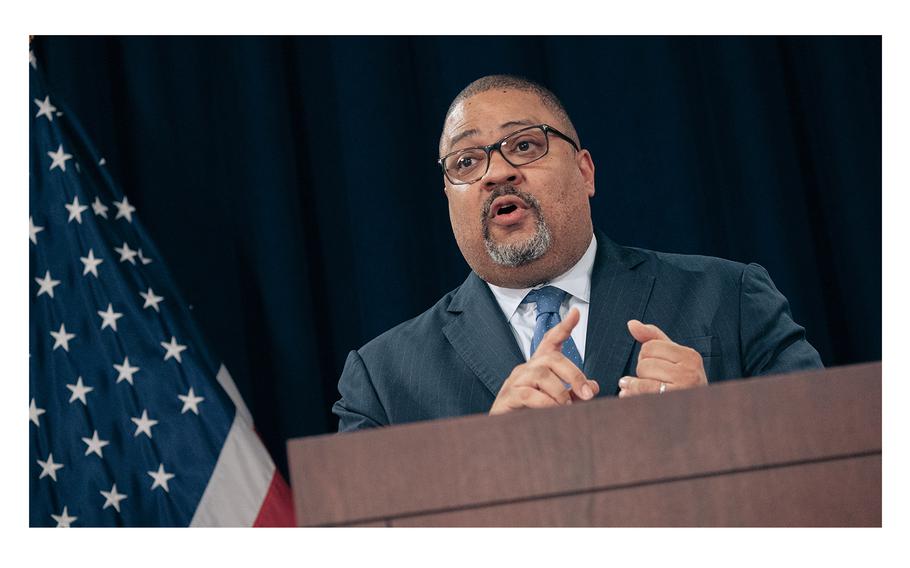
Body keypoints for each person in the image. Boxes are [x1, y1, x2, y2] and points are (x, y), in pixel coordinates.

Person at [332, 75, 823, 432]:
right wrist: (490, 460)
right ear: (448, 198)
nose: (497, 172)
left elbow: (835, 452)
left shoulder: (730, 297)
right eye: (467, 161)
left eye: (524, 145)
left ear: (585, 172)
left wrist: (715, 421)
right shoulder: (381, 381)